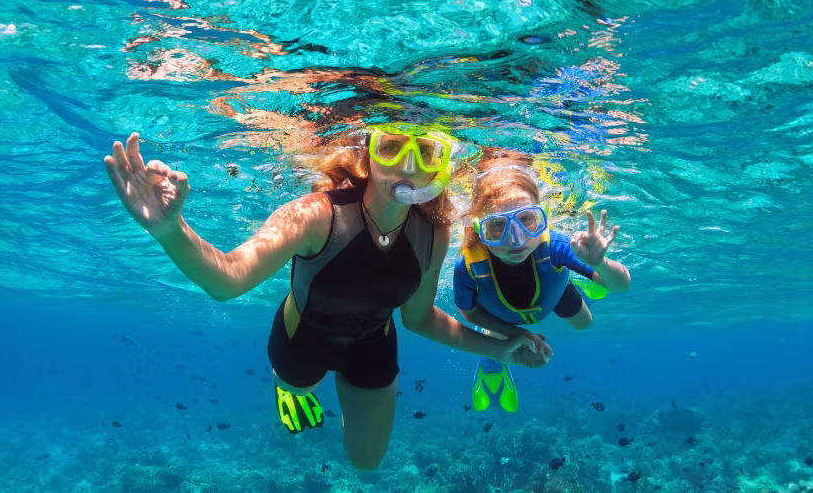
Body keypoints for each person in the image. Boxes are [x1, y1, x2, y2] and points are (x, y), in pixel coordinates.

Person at [101, 124, 549, 471]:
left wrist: (499, 349)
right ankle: (289, 389)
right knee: (297, 387)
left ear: (440, 167)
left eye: (426, 152)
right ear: (368, 156)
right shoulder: (316, 214)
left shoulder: (435, 232)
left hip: (373, 345)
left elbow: (419, 318)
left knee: (366, 462)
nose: (409, 166)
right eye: (392, 147)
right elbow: (228, 280)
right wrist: (170, 229)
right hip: (302, 340)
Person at [453, 153, 631, 413]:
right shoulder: (468, 266)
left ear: (543, 217)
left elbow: (621, 285)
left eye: (526, 219)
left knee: (584, 323)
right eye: (498, 225)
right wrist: (517, 334)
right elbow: (468, 312)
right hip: (499, 314)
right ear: (480, 229)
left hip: (552, 291)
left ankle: (581, 276)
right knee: (496, 338)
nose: (516, 240)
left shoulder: (556, 245)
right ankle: (491, 364)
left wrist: (600, 264)